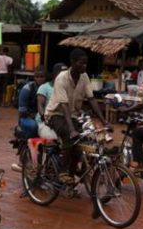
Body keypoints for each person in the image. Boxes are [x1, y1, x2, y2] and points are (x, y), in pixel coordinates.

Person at [43, 49, 107, 182]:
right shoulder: (61, 78)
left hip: (72, 115)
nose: (84, 66)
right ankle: (63, 171)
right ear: (72, 62)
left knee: (83, 141)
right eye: (81, 63)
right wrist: (72, 129)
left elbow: (91, 99)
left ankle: (71, 177)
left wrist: (104, 121)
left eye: (86, 64)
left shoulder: (84, 77)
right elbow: (64, 106)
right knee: (68, 135)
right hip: (55, 114)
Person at [18, 68, 46, 137]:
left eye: (42, 77)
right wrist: (37, 117)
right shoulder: (27, 89)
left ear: (45, 78)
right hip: (27, 117)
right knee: (34, 126)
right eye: (37, 77)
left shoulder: (47, 88)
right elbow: (22, 111)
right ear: (34, 78)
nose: (39, 79)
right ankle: (25, 139)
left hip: (44, 117)